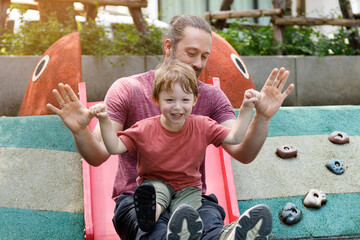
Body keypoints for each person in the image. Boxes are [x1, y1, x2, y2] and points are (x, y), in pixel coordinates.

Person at [47, 15, 294, 240]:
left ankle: (224, 237)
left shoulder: (210, 97)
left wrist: (262, 116)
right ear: (168, 47)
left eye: (205, 56)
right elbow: (99, 153)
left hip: (189, 196)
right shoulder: (128, 90)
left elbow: (243, 151)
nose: (198, 63)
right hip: (140, 198)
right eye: (191, 52)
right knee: (155, 229)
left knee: (207, 221)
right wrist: (81, 131)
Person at [88, 59, 261, 236]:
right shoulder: (144, 128)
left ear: (194, 100)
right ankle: (149, 217)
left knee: (186, 212)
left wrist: (247, 108)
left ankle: (205, 233)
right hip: (155, 183)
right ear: (157, 99)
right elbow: (114, 147)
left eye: (185, 100)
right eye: (170, 100)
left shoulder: (203, 126)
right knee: (156, 198)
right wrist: (104, 120)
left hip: (188, 187)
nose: (177, 107)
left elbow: (235, 137)